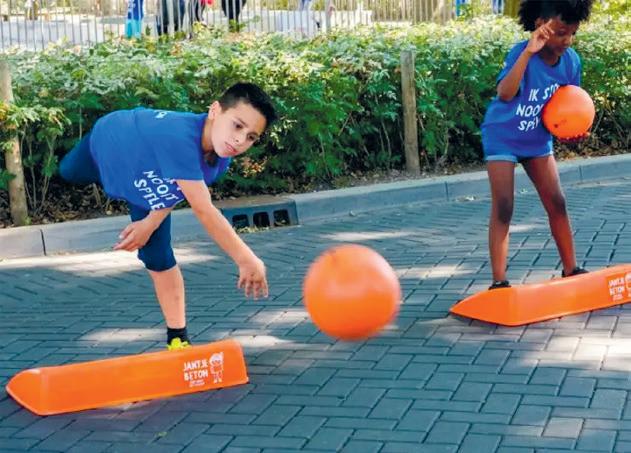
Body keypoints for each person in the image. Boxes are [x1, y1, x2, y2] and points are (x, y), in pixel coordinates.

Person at [59, 83, 277, 350]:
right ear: (215, 111)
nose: (240, 140)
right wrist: (246, 259)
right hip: (104, 147)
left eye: (251, 137)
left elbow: (176, 188)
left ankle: (178, 339)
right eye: (237, 125)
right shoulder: (179, 137)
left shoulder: (218, 159)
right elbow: (203, 209)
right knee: (66, 171)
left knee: (158, 257)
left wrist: (150, 223)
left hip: (145, 183)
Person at [480, 0, 594, 290]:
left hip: (536, 138)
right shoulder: (521, 53)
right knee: (504, 206)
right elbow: (505, 94)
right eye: (561, 33)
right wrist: (528, 52)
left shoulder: (571, 61)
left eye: (572, 33)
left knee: (557, 202)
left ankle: (571, 269)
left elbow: (569, 106)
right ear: (540, 24)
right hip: (502, 135)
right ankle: (499, 282)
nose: (567, 41)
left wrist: (574, 132)